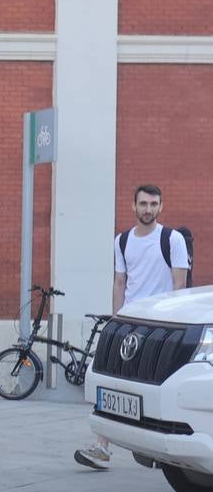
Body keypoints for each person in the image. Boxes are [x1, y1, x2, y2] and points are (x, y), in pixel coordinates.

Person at [76, 184, 191, 470]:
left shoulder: (172, 239)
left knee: (153, 388)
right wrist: (116, 322)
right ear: (134, 206)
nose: (148, 209)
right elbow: (119, 282)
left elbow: (180, 285)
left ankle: (163, 446)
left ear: (161, 207)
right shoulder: (123, 240)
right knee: (114, 383)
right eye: (143, 204)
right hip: (128, 325)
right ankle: (102, 447)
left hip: (160, 327)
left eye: (153, 204)